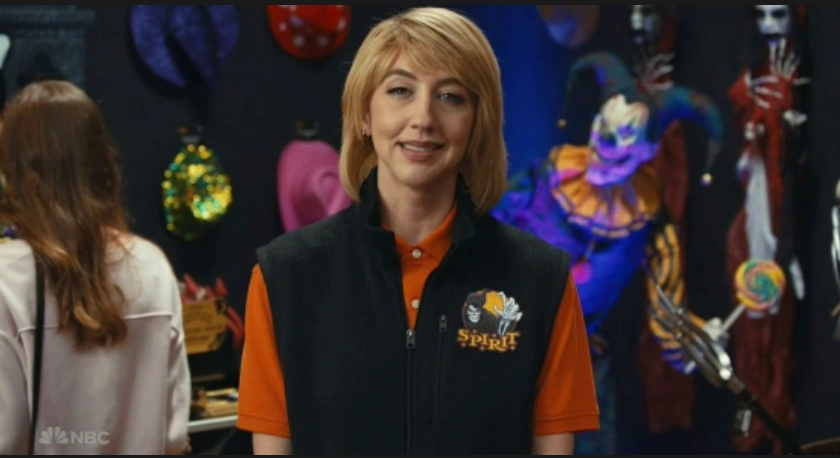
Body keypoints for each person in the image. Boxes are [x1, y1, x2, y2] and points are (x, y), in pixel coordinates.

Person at [236, 7, 599, 455]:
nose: (423, 117)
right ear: (364, 115)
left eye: (450, 96)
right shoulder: (285, 276)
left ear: (477, 123)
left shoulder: (542, 280)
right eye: (400, 90)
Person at [0, 80, 191, 454]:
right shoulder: (151, 265)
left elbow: (6, 434)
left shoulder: (8, 276)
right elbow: (173, 434)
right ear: (102, 162)